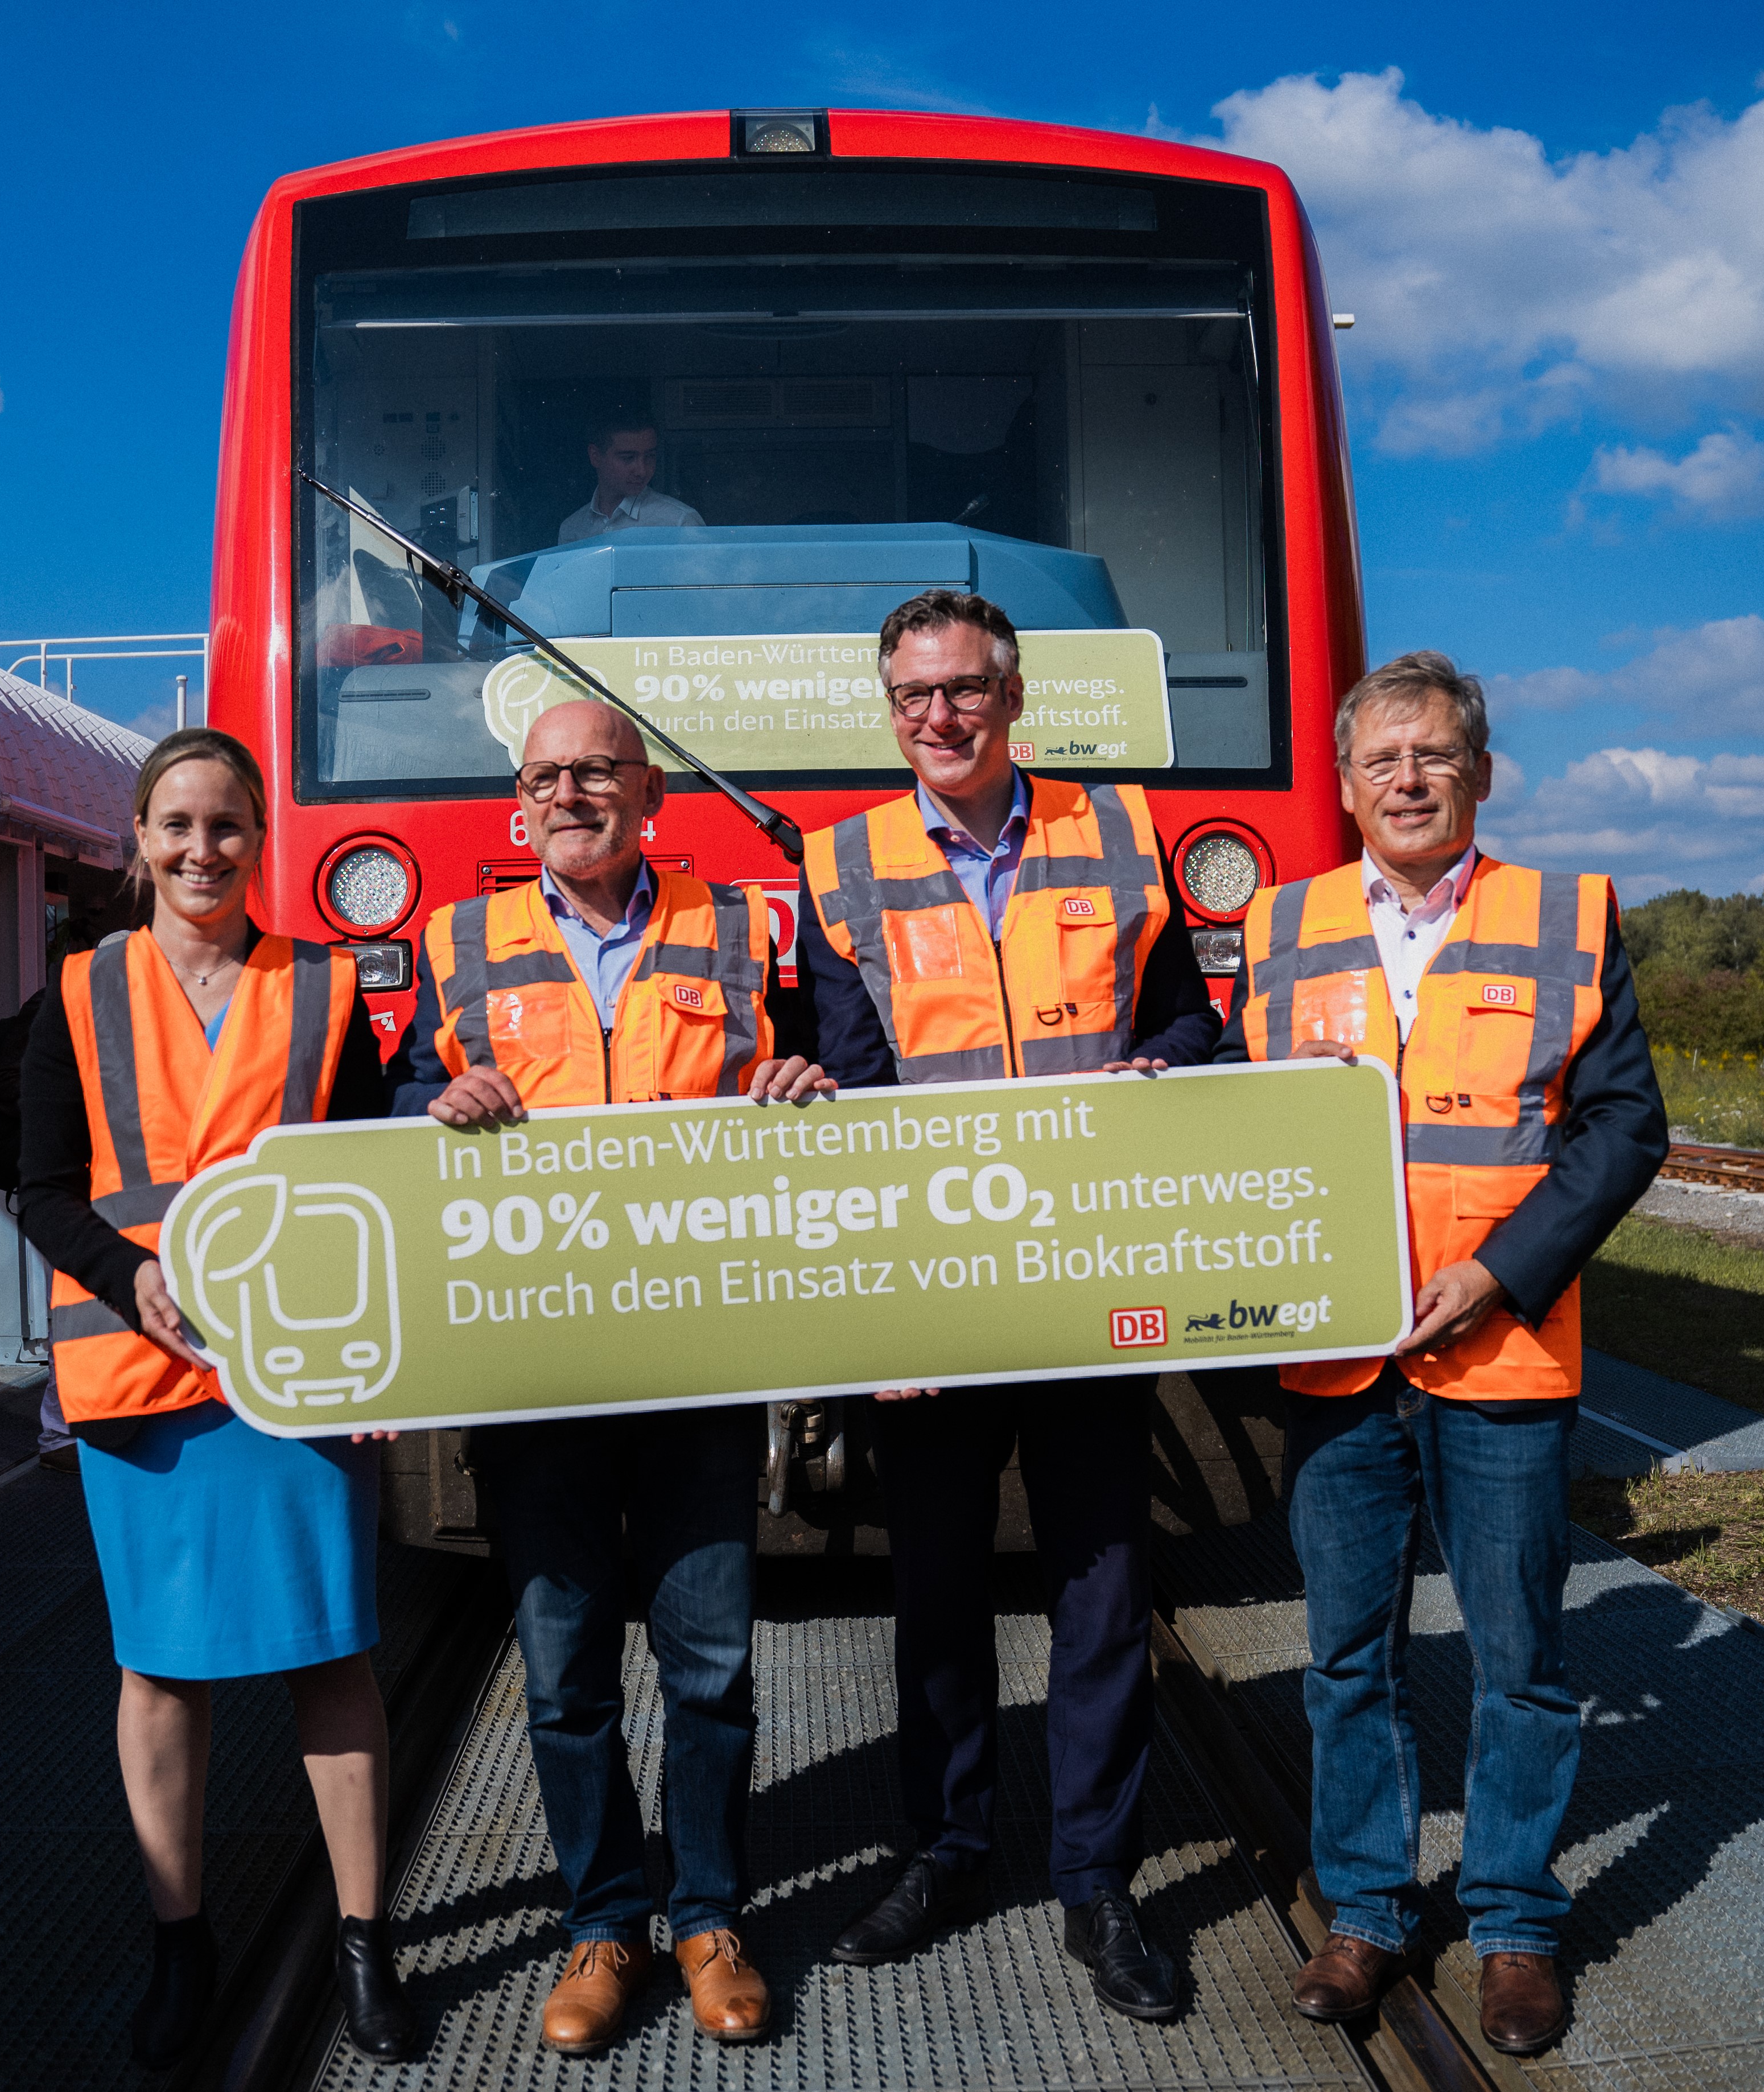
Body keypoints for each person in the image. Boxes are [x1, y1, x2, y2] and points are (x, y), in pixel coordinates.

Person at [1217, 652, 1667, 2056]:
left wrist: (1498, 1269)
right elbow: (1240, 1137)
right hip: (1341, 1367)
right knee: (1346, 1656)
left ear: (1478, 773)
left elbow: (1621, 1131)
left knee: (1521, 1654)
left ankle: (1518, 1925)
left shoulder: (1564, 916)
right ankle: (1364, 1911)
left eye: (1432, 756)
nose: (1405, 780)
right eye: (1379, 761)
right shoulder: (1280, 930)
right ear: (1344, 785)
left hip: (1503, 1354)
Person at [784, 589, 1221, 2021]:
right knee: (936, 1591)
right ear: (890, 710)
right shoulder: (839, 864)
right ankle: (946, 1848)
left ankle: (1096, 1879)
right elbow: (841, 1073)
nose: (939, 717)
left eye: (964, 689)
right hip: (935, 1292)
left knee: (1102, 1595)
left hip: (1092, 1280)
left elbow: (1186, 1021)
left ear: (1013, 696)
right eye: (913, 695)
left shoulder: (1120, 832)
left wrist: (1162, 1066)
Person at [18, 728, 418, 2070]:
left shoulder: (324, 987)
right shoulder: (73, 992)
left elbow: (369, 1181)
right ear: (137, 837)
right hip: (137, 1378)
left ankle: (366, 1944)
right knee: (161, 1666)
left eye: (228, 827)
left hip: (292, 1368)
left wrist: (383, 1355)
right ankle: (178, 1944)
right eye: (177, 826)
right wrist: (127, 1280)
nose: (202, 851)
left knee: (331, 1651)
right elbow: (41, 1187)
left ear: (263, 841)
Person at [386, 698, 777, 2054]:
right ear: (519, 802)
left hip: (700, 1362)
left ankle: (711, 1915)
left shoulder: (738, 929)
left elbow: (796, 1100)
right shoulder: (456, 942)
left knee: (711, 1667)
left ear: (646, 790)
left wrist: (796, 1085)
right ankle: (602, 1921)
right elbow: (385, 1127)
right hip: (536, 1371)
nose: (570, 793)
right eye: (547, 776)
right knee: (564, 1677)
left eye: (595, 772)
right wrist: (430, 1107)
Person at [557, 414, 704, 543]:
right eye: (628, 458)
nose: (642, 470)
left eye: (650, 457)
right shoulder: (571, 529)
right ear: (595, 456)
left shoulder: (680, 522)